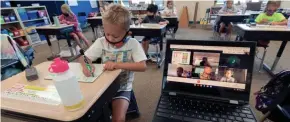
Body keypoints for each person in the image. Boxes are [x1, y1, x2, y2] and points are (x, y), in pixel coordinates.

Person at [80, 4, 147, 122]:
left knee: (118, 119)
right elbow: (84, 58)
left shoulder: (133, 44)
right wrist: (87, 65)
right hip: (102, 86)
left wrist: (117, 65)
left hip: (122, 87)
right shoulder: (101, 42)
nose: (110, 39)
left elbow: (142, 66)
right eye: (107, 34)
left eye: (115, 36)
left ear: (127, 33)